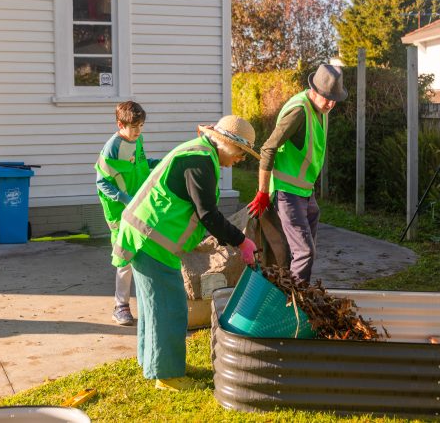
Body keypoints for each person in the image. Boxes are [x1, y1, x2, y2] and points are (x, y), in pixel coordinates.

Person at [111, 115, 259, 391]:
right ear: (225, 143)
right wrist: (242, 242)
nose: (241, 159)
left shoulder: (201, 154)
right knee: (170, 307)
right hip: (149, 239)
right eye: (240, 152)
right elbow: (208, 215)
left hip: (149, 238)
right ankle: (167, 375)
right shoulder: (200, 161)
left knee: (153, 305)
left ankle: (155, 362)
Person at [247, 64, 347, 284]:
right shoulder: (299, 112)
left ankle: (296, 294)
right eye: (326, 98)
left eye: (334, 99)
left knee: (303, 251)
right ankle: (295, 305)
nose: (330, 104)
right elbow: (268, 148)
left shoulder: (321, 109)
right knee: (304, 253)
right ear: (314, 90)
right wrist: (263, 192)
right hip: (287, 192)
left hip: (304, 192)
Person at [95, 101, 159, 326]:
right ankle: (120, 306)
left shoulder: (137, 139)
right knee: (124, 256)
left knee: (144, 251)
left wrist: (157, 164)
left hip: (140, 204)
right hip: (120, 210)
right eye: (133, 127)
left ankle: (145, 300)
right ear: (120, 124)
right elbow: (102, 181)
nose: (138, 131)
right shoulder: (112, 147)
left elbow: (140, 164)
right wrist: (125, 200)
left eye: (141, 126)